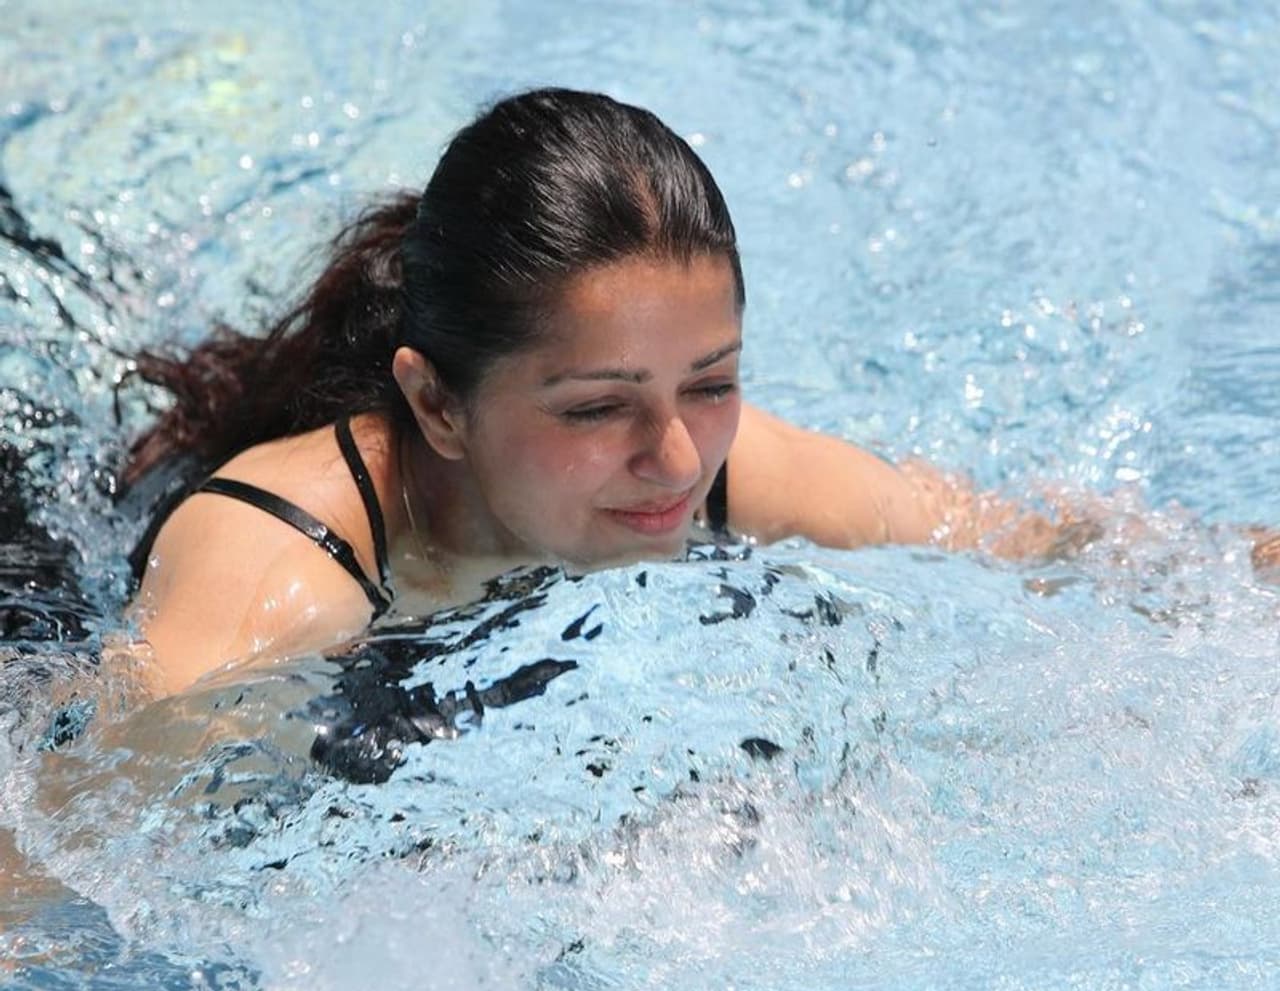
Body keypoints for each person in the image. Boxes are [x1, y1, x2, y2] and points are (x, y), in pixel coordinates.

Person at [121, 87, 1274, 697]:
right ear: (436, 407)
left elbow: (1019, 540)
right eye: (593, 406)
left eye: (709, 381)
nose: (676, 458)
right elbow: (71, 845)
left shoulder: (714, 463)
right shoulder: (274, 568)